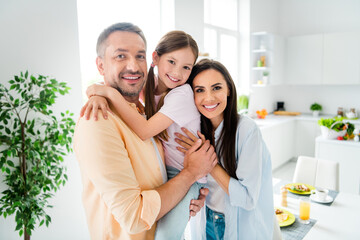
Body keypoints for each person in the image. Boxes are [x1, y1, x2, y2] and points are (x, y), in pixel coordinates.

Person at [73, 22, 217, 240]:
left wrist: (184, 195)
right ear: (101, 66)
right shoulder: (97, 120)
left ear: (148, 59)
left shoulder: (142, 109)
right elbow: (133, 217)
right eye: (121, 56)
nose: (133, 66)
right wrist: (190, 174)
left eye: (139, 56)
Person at [176, 59, 274, 239]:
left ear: (228, 89)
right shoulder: (193, 129)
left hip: (236, 225)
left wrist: (208, 162)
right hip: (205, 220)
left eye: (216, 88)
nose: (209, 98)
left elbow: (247, 198)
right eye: (200, 90)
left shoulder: (246, 130)